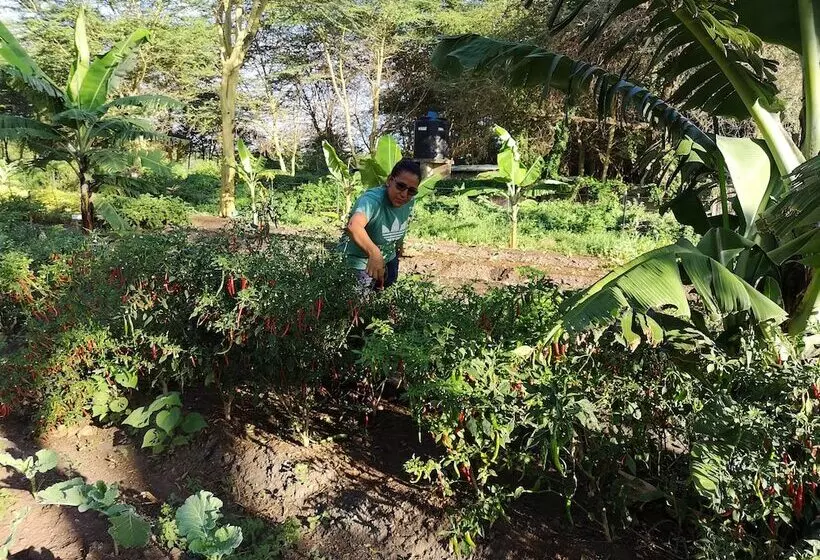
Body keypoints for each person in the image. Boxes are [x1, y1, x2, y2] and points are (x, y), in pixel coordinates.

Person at [338, 159, 421, 290]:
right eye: (400, 186)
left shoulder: (409, 202)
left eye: (411, 191)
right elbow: (354, 226)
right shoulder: (372, 201)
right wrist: (374, 253)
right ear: (389, 181)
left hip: (388, 257)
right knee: (358, 307)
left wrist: (399, 247)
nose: (404, 194)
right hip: (360, 263)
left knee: (384, 293)